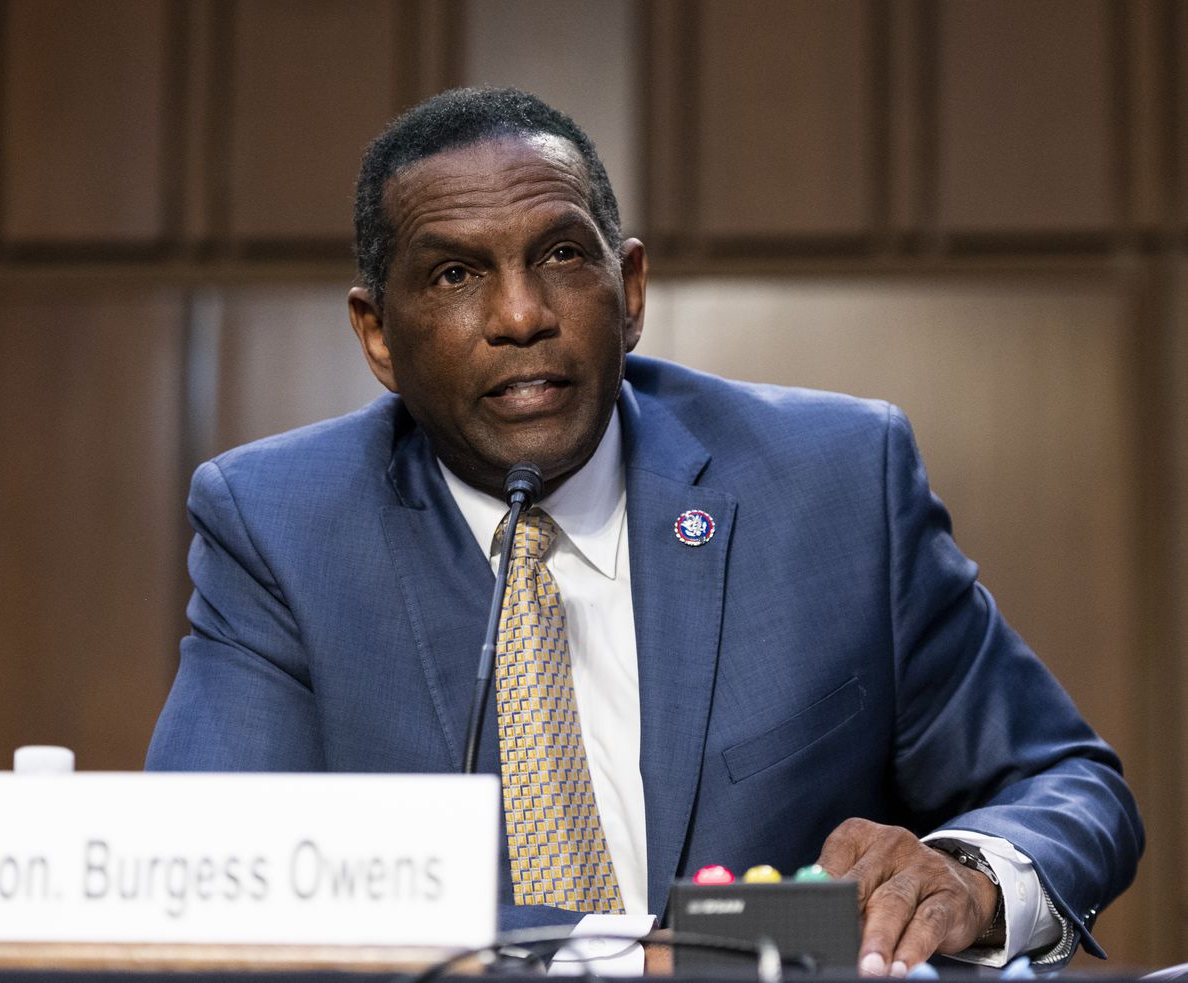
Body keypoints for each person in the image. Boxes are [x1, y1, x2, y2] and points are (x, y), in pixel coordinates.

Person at [146, 87, 1142, 974]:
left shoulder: (833, 483)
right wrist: (628, 960)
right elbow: (201, 884)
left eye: (560, 255)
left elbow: (1063, 780)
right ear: (377, 333)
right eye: (453, 275)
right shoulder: (284, 527)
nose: (520, 314)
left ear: (627, 292)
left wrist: (970, 876)